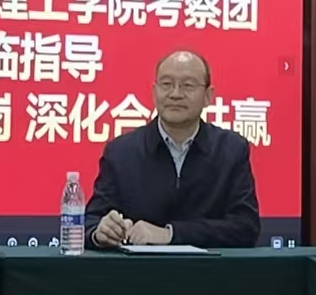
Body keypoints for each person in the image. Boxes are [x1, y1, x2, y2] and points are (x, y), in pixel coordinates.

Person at [86, 50, 260, 249]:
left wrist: (170, 234)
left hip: (209, 268)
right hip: (138, 269)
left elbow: (246, 228)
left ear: (208, 96)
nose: (175, 94)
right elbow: (89, 223)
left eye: (188, 85)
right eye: (166, 84)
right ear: (154, 92)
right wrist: (101, 232)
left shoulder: (231, 150)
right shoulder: (121, 152)